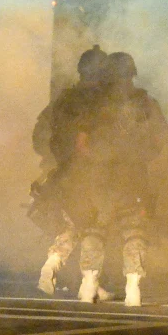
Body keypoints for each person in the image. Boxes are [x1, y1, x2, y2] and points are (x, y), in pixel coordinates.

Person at [62, 52, 167, 307]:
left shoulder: (94, 104)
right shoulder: (146, 103)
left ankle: (88, 284)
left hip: (99, 177)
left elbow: (81, 144)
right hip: (133, 176)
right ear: (132, 74)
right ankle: (133, 288)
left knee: (93, 228)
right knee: (134, 230)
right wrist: (141, 158)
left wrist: (97, 162)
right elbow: (160, 138)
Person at [30, 45, 111, 297]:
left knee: (70, 226)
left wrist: (53, 161)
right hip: (91, 173)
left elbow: (40, 136)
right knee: (95, 226)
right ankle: (90, 282)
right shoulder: (103, 102)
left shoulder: (64, 99)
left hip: (61, 173)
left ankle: (53, 264)